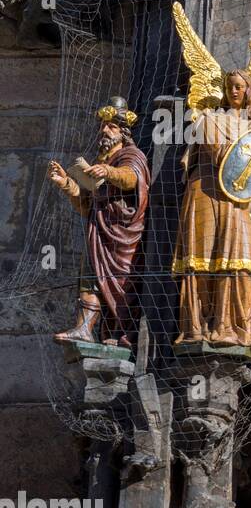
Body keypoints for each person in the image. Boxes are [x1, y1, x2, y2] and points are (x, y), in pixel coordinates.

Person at [172, 56, 251, 352]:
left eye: (239, 86)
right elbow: (224, 157)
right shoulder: (209, 120)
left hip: (235, 200)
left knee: (240, 259)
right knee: (205, 258)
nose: (235, 91)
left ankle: (236, 328)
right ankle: (200, 327)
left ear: (248, 90)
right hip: (207, 191)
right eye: (230, 86)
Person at [47, 96, 151, 346]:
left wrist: (109, 172)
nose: (104, 130)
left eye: (112, 126)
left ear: (123, 132)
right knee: (91, 277)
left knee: (121, 282)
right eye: (103, 125)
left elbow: (131, 178)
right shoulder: (101, 162)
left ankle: (123, 333)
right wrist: (68, 184)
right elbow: (87, 205)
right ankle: (84, 328)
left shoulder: (131, 154)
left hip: (122, 234)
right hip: (100, 230)